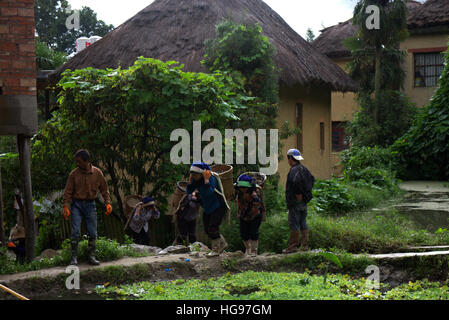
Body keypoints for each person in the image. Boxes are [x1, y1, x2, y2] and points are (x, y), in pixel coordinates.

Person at [62, 149, 112, 266]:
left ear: (86, 161)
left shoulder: (97, 173)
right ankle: (74, 257)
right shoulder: (73, 174)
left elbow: (104, 189)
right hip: (76, 205)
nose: (77, 164)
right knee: (75, 231)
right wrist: (66, 206)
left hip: (90, 204)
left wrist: (108, 203)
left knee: (92, 232)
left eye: (79, 161)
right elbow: (67, 192)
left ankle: (91, 256)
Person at [186, 162, 228, 257]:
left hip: (218, 206)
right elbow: (188, 191)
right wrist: (190, 182)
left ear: (202, 173)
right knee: (207, 230)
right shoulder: (195, 180)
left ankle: (215, 250)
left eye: (196, 175)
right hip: (208, 207)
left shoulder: (211, 178)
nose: (194, 176)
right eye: (193, 175)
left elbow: (209, 193)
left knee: (213, 228)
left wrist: (206, 180)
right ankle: (223, 243)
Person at [283, 149, 315, 253]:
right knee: (303, 223)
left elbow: (295, 182)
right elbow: (312, 179)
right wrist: (305, 195)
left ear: (290, 158)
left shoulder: (294, 170)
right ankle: (304, 246)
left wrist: (298, 195)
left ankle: (293, 246)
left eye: (288, 158)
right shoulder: (304, 169)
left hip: (295, 201)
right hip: (304, 201)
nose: (288, 160)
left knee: (294, 223)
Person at [235, 175, 263, 257]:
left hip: (255, 216)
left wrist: (254, 196)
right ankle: (248, 249)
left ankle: (254, 251)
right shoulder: (238, 192)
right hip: (243, 216)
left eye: (244, 187)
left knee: (254, 233)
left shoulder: (254, 193)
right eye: (241, 187)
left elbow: (258, 204)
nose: (243, 189)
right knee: (244, 234)